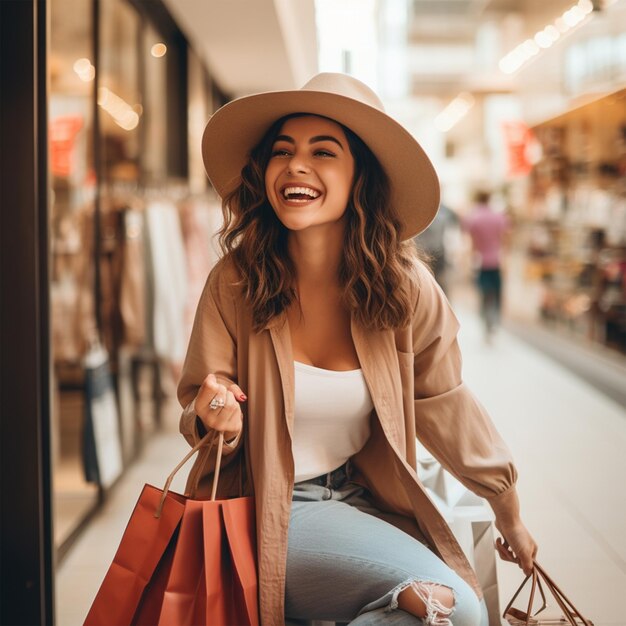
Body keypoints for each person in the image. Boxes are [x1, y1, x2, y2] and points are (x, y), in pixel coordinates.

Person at [178, 73, 536, 625]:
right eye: (282, 152)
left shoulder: (405, 289)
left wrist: (506, 507)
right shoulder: (235, 283)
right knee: (456, 611)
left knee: (435, 610)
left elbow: (446, 404)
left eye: (324, 151)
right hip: (259, 511)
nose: (296, 166)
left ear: (358, 176)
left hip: (359, 499)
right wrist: (213, 413)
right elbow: (201, 413)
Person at [462, 191, 510, 340]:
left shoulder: (473, 218)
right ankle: (495, 321)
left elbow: (472, 241)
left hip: (481, 260)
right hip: (497, 260)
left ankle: (485, 322)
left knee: (483, 293)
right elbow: (506, 237)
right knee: (496, 293)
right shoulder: (499, 217)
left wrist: (469, 259)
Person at [413, 202, 458, 295]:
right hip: (424, 253)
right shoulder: (445, 212)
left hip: (434, 252)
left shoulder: (445, 211)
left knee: (437, 282)